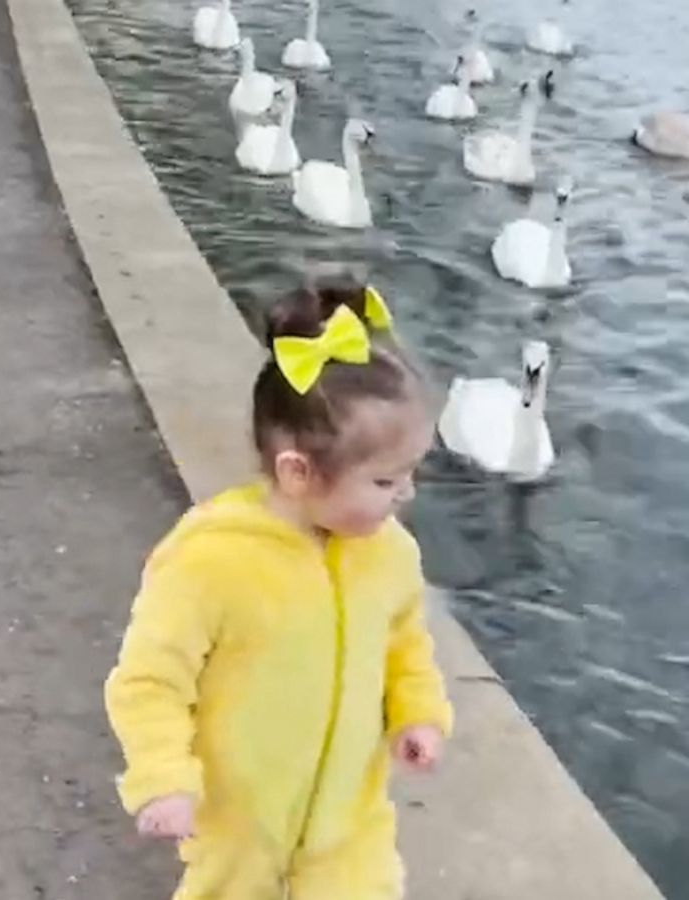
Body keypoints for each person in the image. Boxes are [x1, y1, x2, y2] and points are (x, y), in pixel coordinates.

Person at [105, 275, 454, 898]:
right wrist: (164, 775)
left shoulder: (389, 554)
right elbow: (150, 679)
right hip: (242, 827)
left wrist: (417, 713)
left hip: (351, 824)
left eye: (410, 474)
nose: (407, 494)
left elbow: (406, 643)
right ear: (298, 472)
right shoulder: (212, 561)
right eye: (385, 482)